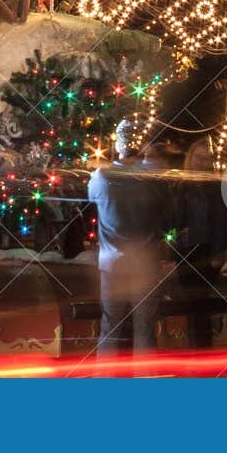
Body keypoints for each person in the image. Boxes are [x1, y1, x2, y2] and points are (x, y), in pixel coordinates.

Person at [88, 121, 168, 359]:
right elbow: (168, 214)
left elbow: (93, 200)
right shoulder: (153, 180)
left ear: (118, 145)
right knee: (145, 329)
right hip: (146, 263)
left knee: (110, 327)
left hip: (113, 264)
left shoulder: (102, 177)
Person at [177, 138, 227, 348]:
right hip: (185, 252)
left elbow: (220, 221)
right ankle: (197, 349)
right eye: (198, 157)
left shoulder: (215, 187)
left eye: (206, 158)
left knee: (201, 306)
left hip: (206, 252)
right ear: (191, 158)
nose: (201, 162)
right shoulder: (181, 184)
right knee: (191, 306)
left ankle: (201, 348)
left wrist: (219, 252)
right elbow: (173, 219)